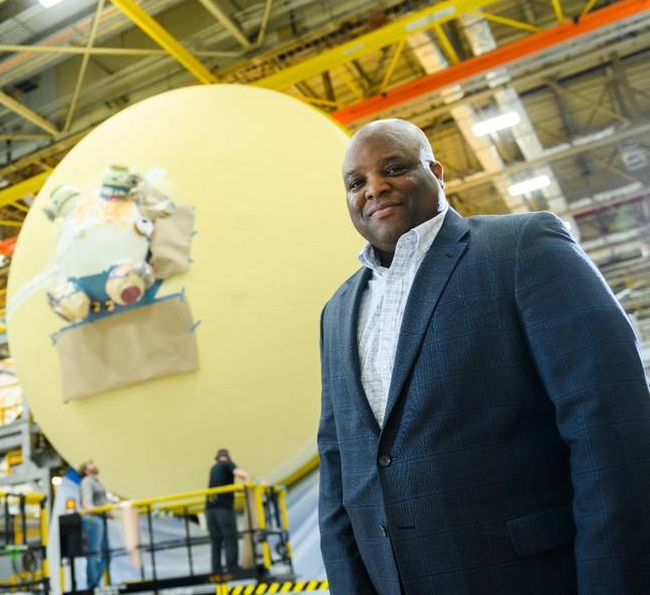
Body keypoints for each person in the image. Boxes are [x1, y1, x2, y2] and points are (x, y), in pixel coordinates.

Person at [317, 118, 650, 594]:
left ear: (437, 171)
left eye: (394, 167)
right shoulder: (337, 312)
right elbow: (338, 468)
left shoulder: (521, 249)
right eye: (356, 182)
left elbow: (610, 424)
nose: (374, 188)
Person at [205, 448, 250, 574]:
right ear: (227, 457)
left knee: (216, 540)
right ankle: (232, 566)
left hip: (209, 509)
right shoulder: (227, 464)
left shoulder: (213, 469)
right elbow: (241, 474)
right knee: (230, 537)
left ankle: (216, 569)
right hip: (223, 508)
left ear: (217, 458)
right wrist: (248, 483)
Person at [79, 460, 109, 589]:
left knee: (105, 553)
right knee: (94, 552)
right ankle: (92, 585)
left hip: (100, 517)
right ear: (86, 470)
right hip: (94, 518)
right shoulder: (87, 481)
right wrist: (93, 510)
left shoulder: (96, 482)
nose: (94, 464)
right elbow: (87, 502)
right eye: (90, 463)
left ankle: (94, 584)